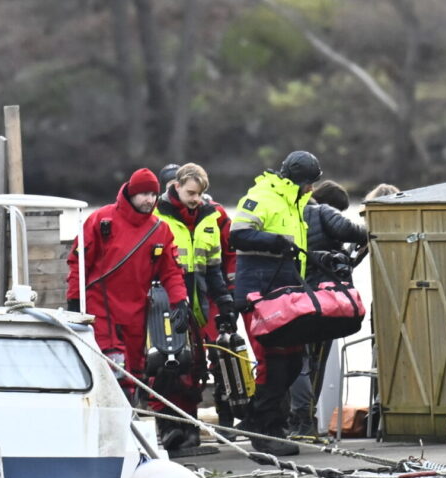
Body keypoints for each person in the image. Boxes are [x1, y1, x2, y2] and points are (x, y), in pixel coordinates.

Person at [66, 168, 189, 404]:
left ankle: (129, 419)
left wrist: (179, 301)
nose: (149, 200)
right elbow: (78, 262)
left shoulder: (160, 230)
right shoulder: (102, 220)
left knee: (134, 367)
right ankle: (115, 415)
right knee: (114, 364)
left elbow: (171, 271)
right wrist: (74, 300)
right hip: (100, 306)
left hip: (136, 309)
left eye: (153, 194)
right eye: (143, 194)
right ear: (131, 194)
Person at [230, 150, 322, 456]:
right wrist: (274, 240)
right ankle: (264, 429)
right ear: (296, 180)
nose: (311, 189)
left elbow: (295, 249)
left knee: (293, 361)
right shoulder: (261, 197)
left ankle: (267, 420)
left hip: (285, 290)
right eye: (308, 183)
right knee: (273, 363)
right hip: (259, 292)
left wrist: (321, 258)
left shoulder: (294, 202)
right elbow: (238, 236)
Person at [151, 163, 236, 452]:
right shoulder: (156, 217)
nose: (195, 199)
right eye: (191, 193)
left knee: (196, 366)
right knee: (167, 364)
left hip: (198, 299)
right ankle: (171, 427)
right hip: (163, 300)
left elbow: (214, 266)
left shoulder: (209, 217)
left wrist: (225, 301)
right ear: (175, 186)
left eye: (199, 194)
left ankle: (190, 431)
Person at [288, 180, 369, 437]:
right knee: (315, 364)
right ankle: (306, 421)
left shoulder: (293, 218)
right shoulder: (324, 217)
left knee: (295, 361)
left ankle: (292, 420)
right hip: (324, 302)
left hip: (293, 301)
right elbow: (356, 233)